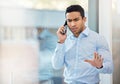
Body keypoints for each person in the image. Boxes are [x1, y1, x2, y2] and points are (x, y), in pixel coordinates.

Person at [52, 4, 113, 84]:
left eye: (76, 20)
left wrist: (100, 66)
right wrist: (61, 41)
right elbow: (56, 65)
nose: (73, 24)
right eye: (69, 21)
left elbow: (110, 68)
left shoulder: (98, 39)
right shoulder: (65, 41)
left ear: (84, 19)